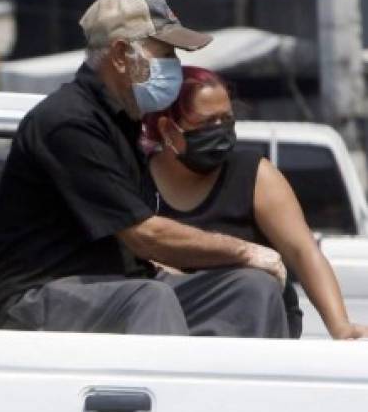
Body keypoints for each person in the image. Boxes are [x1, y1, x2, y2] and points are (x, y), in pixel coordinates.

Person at [0, 0, 289, 337]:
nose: (175, 66)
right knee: (149, 299)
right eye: (165, 54)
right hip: (29, 301)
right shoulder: (69, 122)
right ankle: (173, 391)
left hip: (115, 286)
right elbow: (145, 235)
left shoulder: (126, 120)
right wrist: (243, 250)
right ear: (122, 54)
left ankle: (249, 390)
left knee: (251, 290)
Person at [142, 66, 368, 339]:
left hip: (257, 328)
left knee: (254, 285)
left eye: (226, 119)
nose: (219, 130)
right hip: (173, 331)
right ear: (167, 128)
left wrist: (340, 326)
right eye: (206, 122)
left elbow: (303, 252)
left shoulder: (255, 176)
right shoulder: (136, 181)